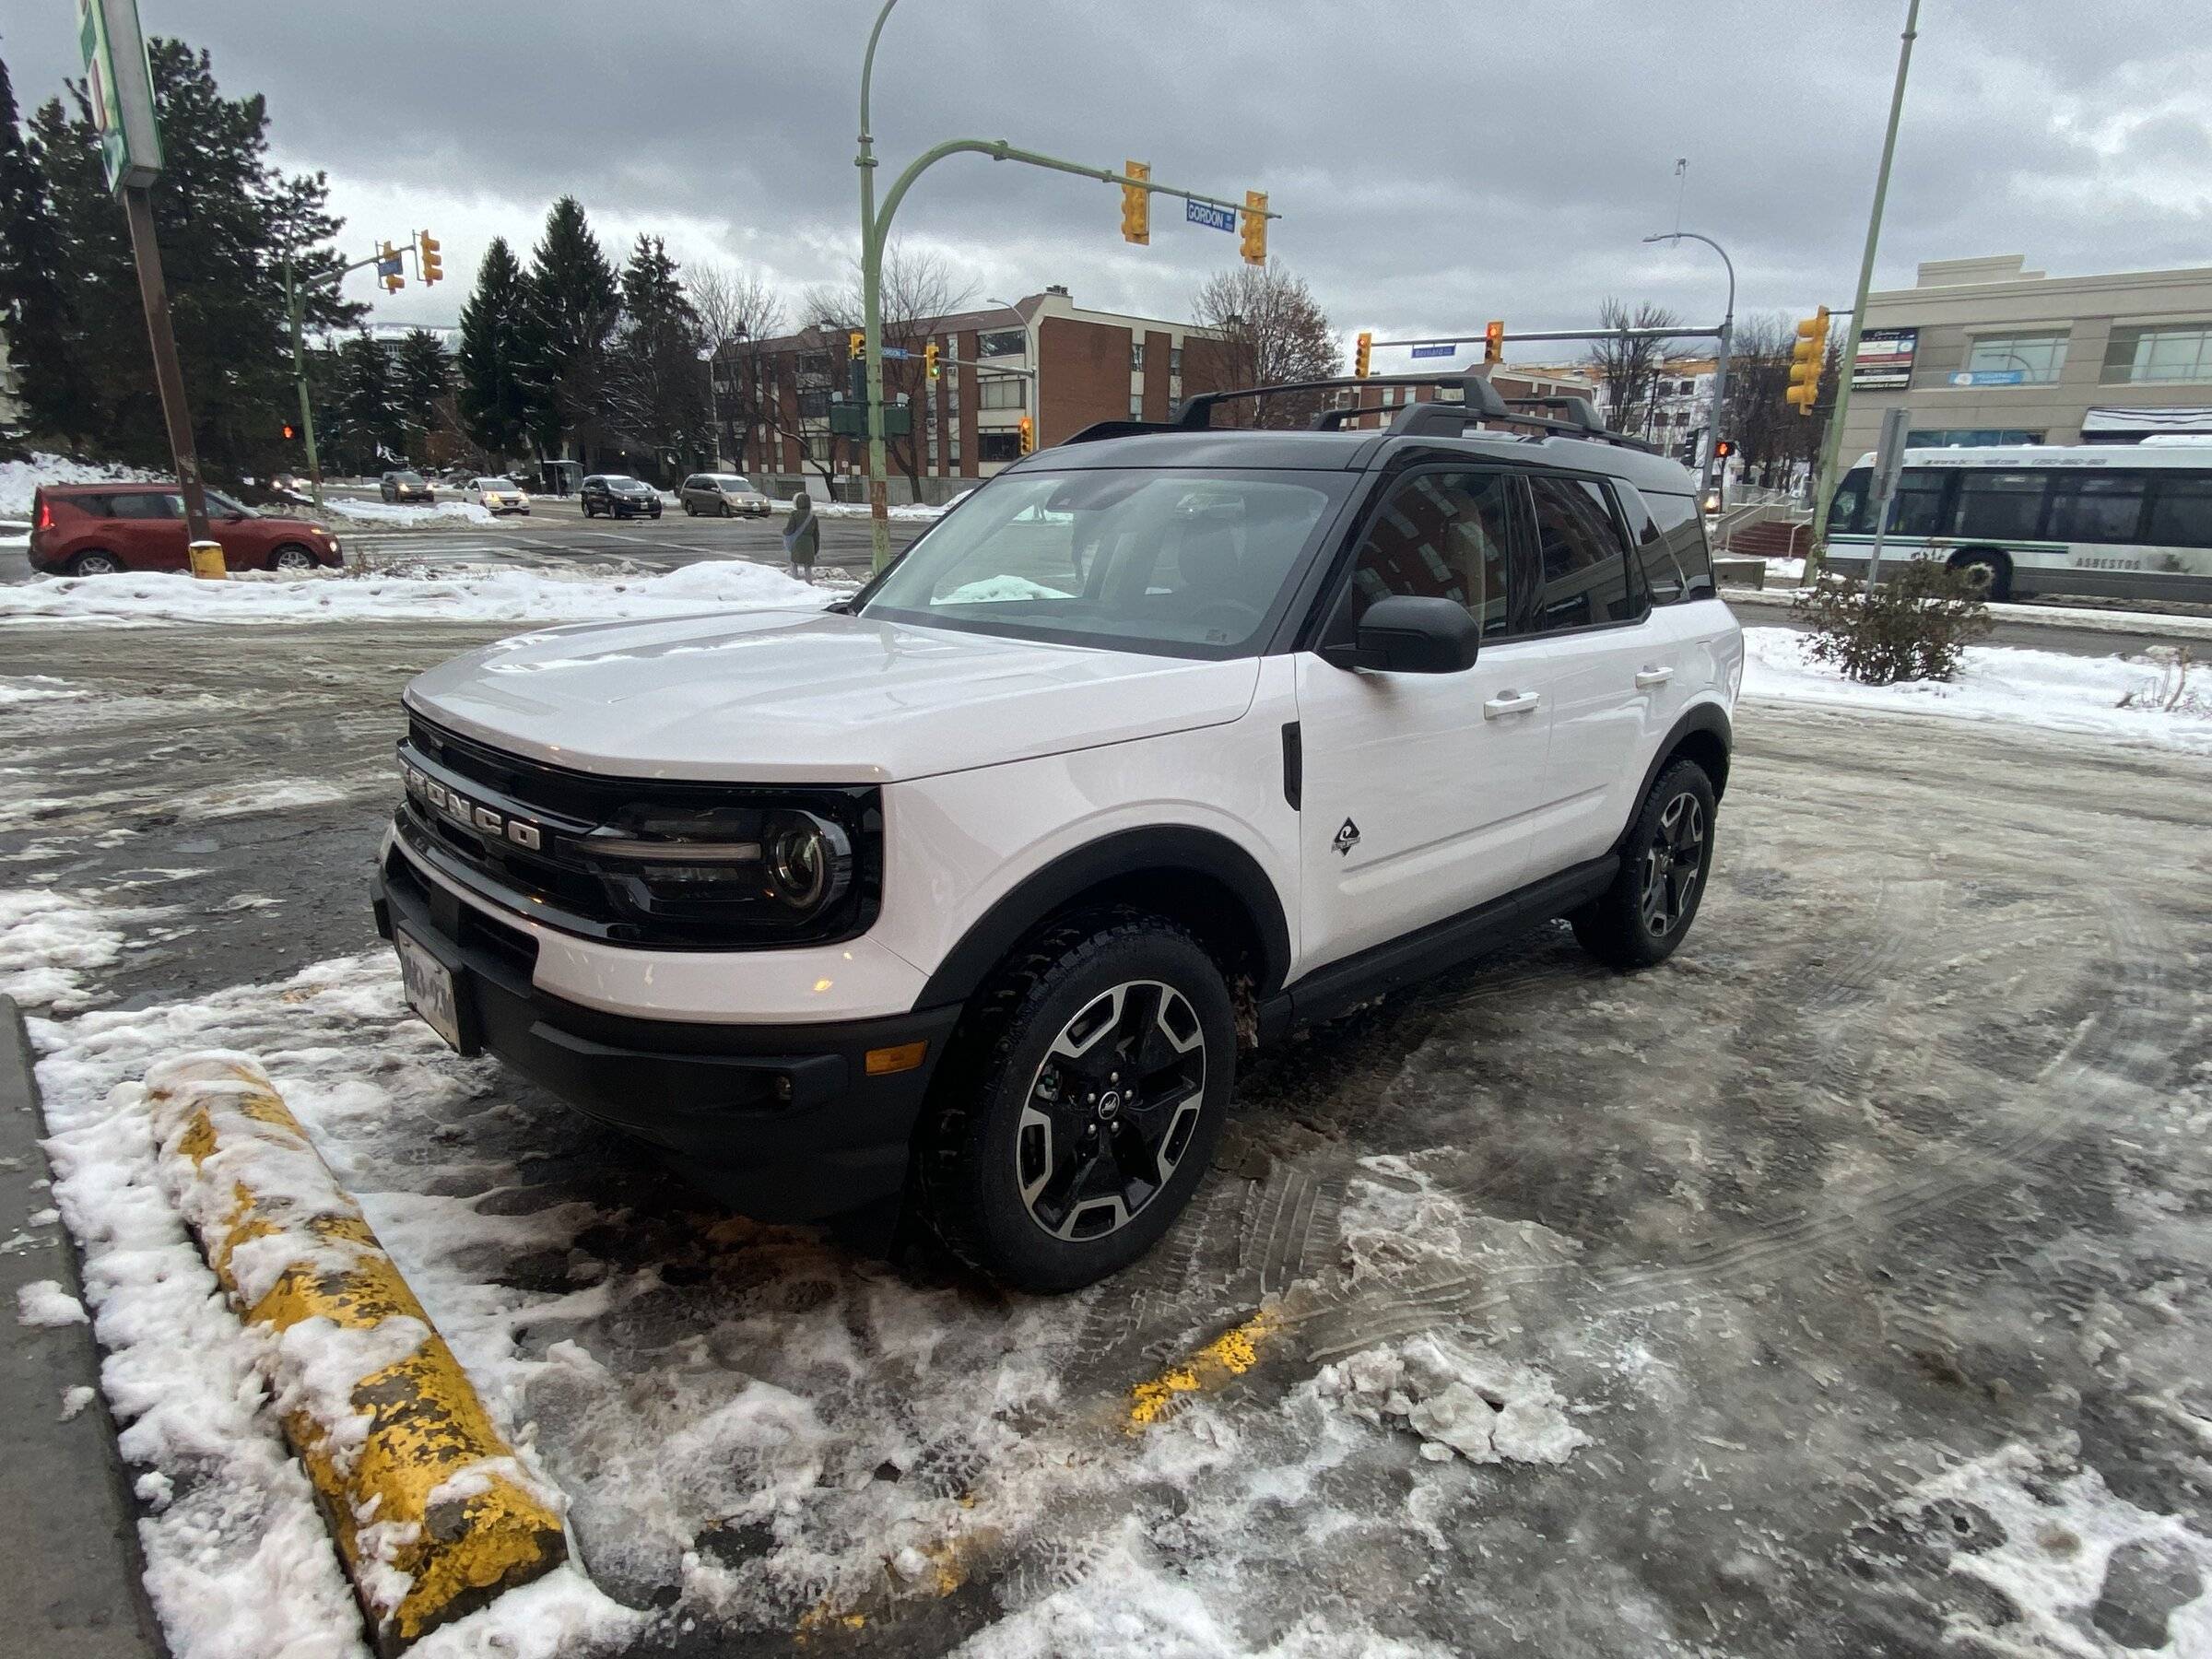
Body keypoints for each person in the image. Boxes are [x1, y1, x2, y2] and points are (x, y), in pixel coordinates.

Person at [782, 489, 819, 581]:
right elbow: (816, 535)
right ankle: (809, 582)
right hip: (809, 543)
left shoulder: (794, 515)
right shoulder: (813, 517)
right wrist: (816, 549)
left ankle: (794, 581)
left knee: (794, 563)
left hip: (797, 542)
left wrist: (784, 531)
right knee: (808, 566)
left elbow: (790, 530)